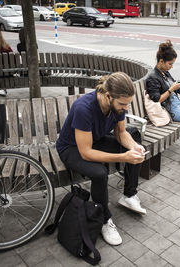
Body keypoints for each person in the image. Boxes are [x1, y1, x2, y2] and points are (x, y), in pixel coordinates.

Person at [56, 72, 147, 246]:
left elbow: (121, 133)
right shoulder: (84, 108)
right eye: (122, 104)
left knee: (134, 141)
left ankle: (129, 195)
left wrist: (133, 147)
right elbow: (86, 153)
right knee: (99, 173)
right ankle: (104, 219)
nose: (125, 108)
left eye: (128, 104)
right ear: (108, 96)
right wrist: (123, 157)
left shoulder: (117, 105)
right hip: (71, 148)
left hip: (95, 140)